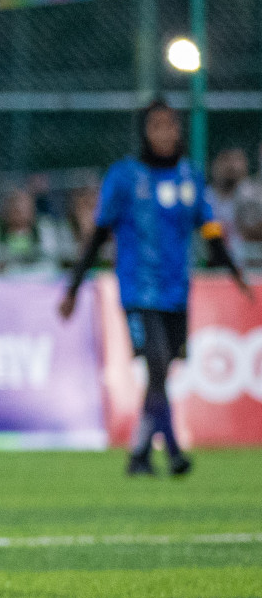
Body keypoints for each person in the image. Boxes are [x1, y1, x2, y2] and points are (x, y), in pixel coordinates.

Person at [60, 99, 249, 477]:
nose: (165, 133)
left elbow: (210, 233)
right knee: (158, 363)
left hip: (177, 291)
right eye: (157, 126)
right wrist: (74, 286)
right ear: (145, 132)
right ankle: (174, 449)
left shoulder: (189, 178)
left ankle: (141, 452)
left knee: (162, 372)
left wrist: (236, 274)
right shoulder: (125, 177)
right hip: (137, 290)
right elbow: (99, 233)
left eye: (171, 126)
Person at [0, 186, 69, 275]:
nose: (19, 209)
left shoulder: (44, 227)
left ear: (32, 208)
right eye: (14, 204)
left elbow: (51, 262)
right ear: (5, 208)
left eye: (24, 205)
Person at [208, 148, 250, 265]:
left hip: (249, 266)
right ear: (214, 164)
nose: (231, 166)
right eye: (225, 159)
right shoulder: (205, 197)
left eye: (236, 159)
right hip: (211, 265)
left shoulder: (254, 197)